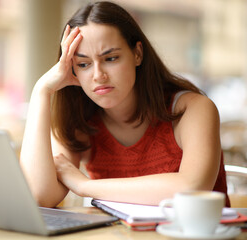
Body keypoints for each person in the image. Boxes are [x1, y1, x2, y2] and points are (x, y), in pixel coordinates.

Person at [20, 1, 230, 207]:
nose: (98, 75)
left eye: (110, 58)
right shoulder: (81, 121)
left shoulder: (192, 110)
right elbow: (40, 195)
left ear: (137, 53)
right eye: (83, 64)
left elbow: (193, 188)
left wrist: (84, 185)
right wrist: (41, 90)